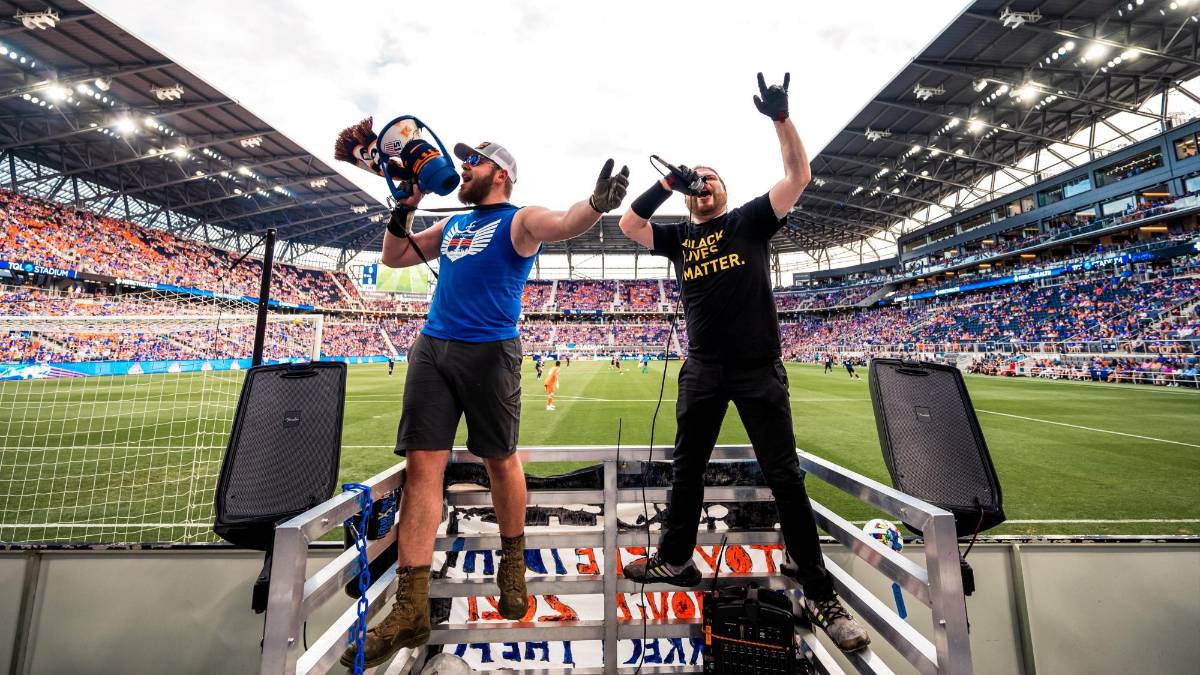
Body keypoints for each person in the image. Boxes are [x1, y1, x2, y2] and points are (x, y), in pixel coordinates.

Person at [340, 141, 628, 668]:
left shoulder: (519, 219)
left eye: (474, 160)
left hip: (490, 350)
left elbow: (564, 222)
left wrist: (596, 204)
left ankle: (512, 563)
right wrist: (403, 206)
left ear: (501, 174)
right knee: (422, 467)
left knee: (500, 460)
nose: (464, 167)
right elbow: (396, 255)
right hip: (433, 347)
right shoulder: (451, 226)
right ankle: (411, 608)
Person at [615, 73, 869, 653]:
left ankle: (818, 591)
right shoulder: (680, 237)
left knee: (785, 478)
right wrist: (664, 182)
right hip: (703, 368)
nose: (701, 187)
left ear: (725, 188)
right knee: (686, 471)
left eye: (710, 179)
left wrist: (782, 118)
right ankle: (675, 560)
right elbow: (630, 225)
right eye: (694, 183)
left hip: (759, 369)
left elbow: (798, 176)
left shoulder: (750, 220)